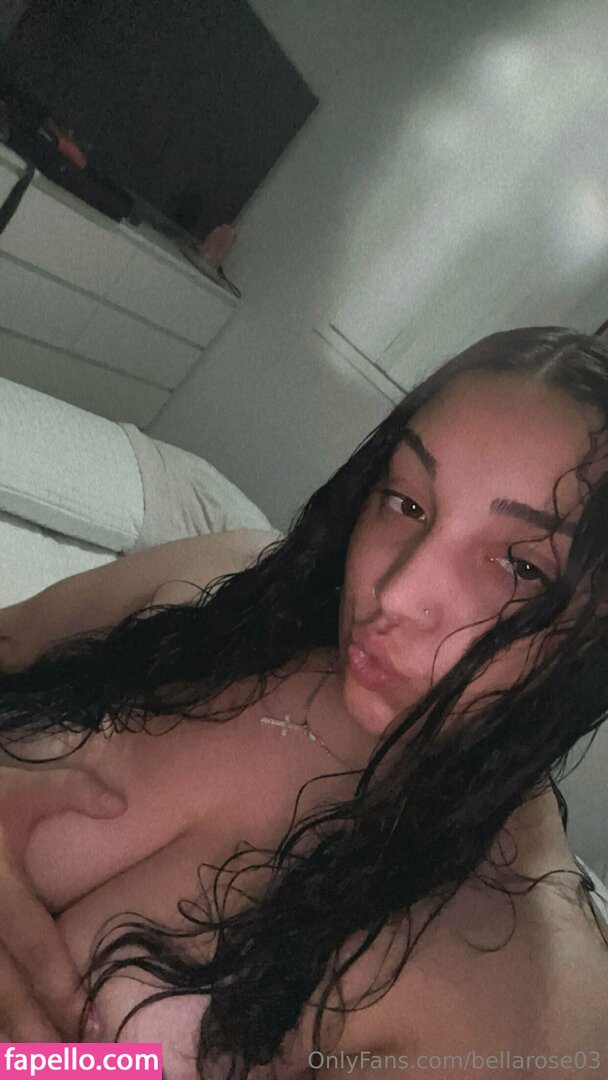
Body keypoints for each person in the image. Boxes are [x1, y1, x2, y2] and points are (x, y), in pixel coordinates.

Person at [0, 326, 607, 1079]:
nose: (395, 594)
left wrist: (34, 1064)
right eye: (406, 502)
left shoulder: (508, 989)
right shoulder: (224, 592)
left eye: (519, 566)